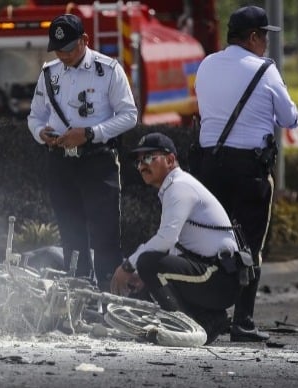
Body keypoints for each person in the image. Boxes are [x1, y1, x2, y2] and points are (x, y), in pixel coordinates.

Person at [194, 5, 298, 342]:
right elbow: (289, 118)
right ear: (252, 37)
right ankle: (243, 322)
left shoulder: (207, 64)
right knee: (249, 245)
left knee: (210, 241)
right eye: (264, 36)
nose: (266, 44)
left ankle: (207, 317)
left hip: (208, 166)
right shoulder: (265, 70)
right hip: (248, 170)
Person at [27, 14, 138, 291]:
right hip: (61, 162)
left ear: (84, 41)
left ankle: (109, 296)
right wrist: (41, 133)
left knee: (105, 236)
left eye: (68, 49)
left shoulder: (108, 70)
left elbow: (129, 116)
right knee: (71, 232)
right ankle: (78, 294)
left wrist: (90, 133)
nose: (62, 55)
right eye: (58, 49)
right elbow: (35, 116)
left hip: (97, 161)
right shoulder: (49, 73)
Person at [110, 133, 245, 345]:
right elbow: (174, 247)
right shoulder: (174, 187)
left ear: (170, 160)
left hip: (220, 277)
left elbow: (165, 240)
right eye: (138, 161)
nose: (141, 166)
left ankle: (187, 329)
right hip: (216, 275)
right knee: (149, 269)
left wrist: (128, 266)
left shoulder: (179, 187)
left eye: (148, 158)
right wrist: (144, 276)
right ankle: (209, 320)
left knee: (147, 262)